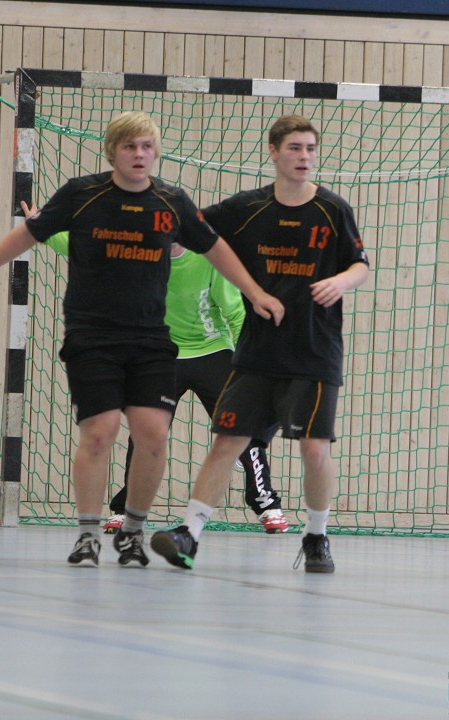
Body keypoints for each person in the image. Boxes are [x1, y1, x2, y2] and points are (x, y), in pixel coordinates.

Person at [0, 111, 283, 567]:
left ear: (156, 152)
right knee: (99, 434)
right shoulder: (83, 195)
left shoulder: (172, 203)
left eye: (146, 147)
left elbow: (215, 247)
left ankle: (134, 531)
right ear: (112, 152)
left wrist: (255, 292)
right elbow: (32, 234)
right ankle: (86, 533)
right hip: (93, 338)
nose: (138, 155)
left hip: (151, 341)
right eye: (129, 147)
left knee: (153, 435)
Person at [150, 114, 369, 573]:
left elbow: (360, 264)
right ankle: (188, 534)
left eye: (310, 148)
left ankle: (316, 536)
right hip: (256, 351)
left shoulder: (332, 210)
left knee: (313, 448)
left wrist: (342, 282)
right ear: (273, 152)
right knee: (227, 440)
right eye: (294, 148)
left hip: (313, 350)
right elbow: (190, 228)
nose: (304, 156)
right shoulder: (246, 208)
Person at [39, 226, 289, 534]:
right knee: (145, 432)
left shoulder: (207, 260)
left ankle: (266, 504)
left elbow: (235, 313)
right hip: (162, 354)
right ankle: (126, 510)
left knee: (242, 426)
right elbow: (84, 246)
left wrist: (247, 362)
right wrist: (42, 226)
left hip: (211, 350)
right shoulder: (138, 258)